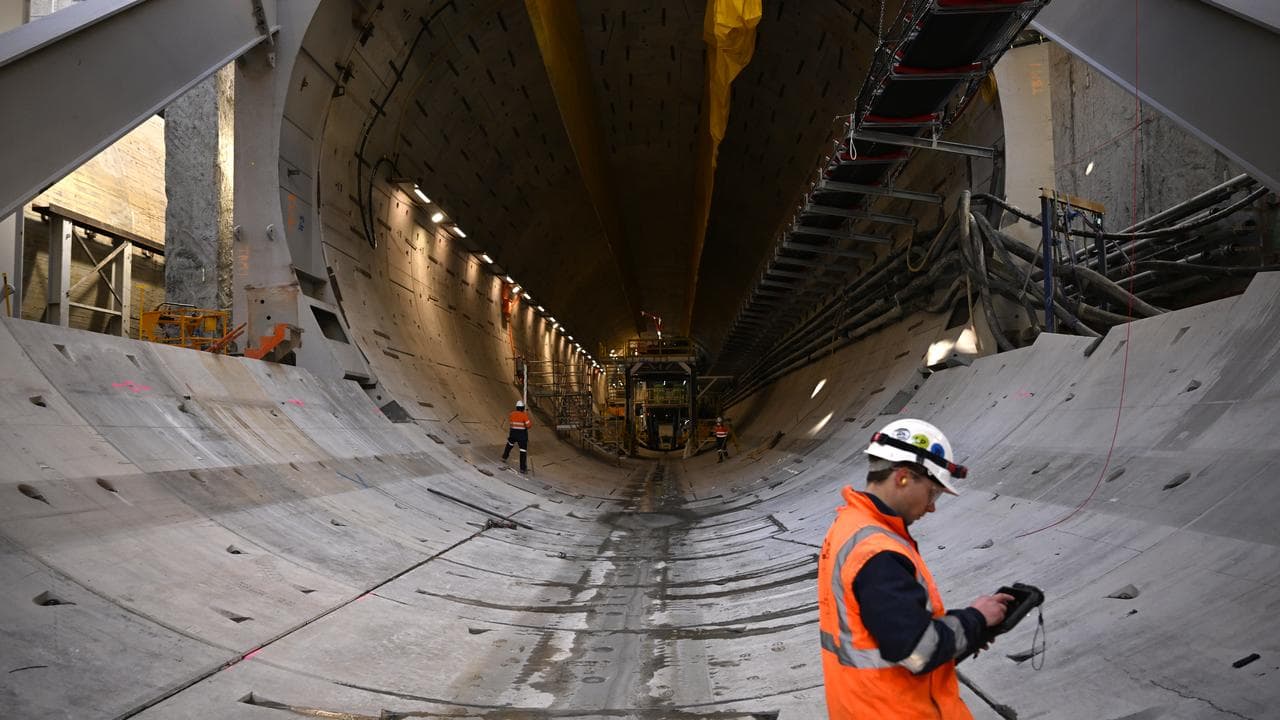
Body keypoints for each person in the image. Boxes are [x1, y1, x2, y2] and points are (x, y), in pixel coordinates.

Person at [817, 418, 1013, 719]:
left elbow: (885, 632)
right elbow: (916, 650)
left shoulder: (851, 525)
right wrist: (976, 618)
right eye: (932, 493)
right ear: (903, 478)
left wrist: (970, 631)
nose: (932, 506)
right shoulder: (878, 552)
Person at [501, 400, 532, 473]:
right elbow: (528, 425)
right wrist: (525, 417)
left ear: (516, 407)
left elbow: (512, 422)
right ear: (523, 408)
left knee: (509, 445)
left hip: (513, 433)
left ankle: (504, 457)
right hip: (522, 435)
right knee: (523, 451)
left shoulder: (511, 414)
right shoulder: (524, 415)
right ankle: (522, 468)